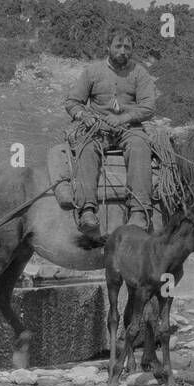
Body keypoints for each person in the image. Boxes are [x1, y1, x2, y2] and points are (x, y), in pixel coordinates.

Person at [64, 30, 155, 234]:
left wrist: (123, 118)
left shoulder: (140, 73)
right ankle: (87, 209)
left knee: (140, 146)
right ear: (109, 47)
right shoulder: (92, 71)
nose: (123, 51)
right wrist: (84, 116)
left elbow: (148, 107)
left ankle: (139, 211)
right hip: (98, 129)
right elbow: (72, 102)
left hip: (129, 128)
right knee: (86, 148)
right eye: (118, 46)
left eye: (127, 47)